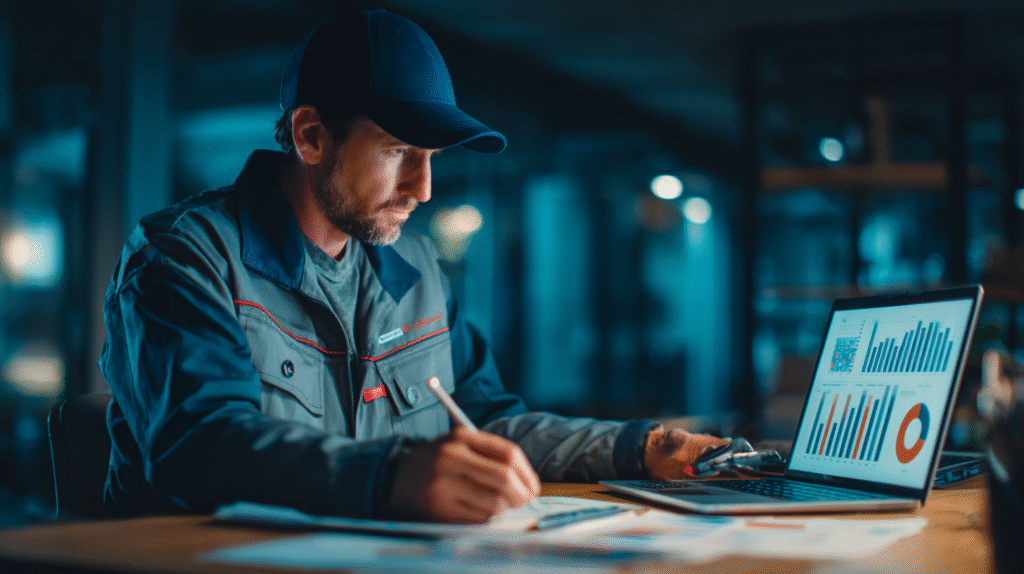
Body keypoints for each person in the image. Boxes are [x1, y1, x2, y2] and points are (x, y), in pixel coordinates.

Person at [99, 8, 727, 522]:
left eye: (431, 156)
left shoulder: (416, 266)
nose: (423, 188)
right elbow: (202, 446)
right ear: (311, 135)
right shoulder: (185, 259)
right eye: (398, 150)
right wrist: (392, 476)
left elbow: (486, 421)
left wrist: (640, 447)